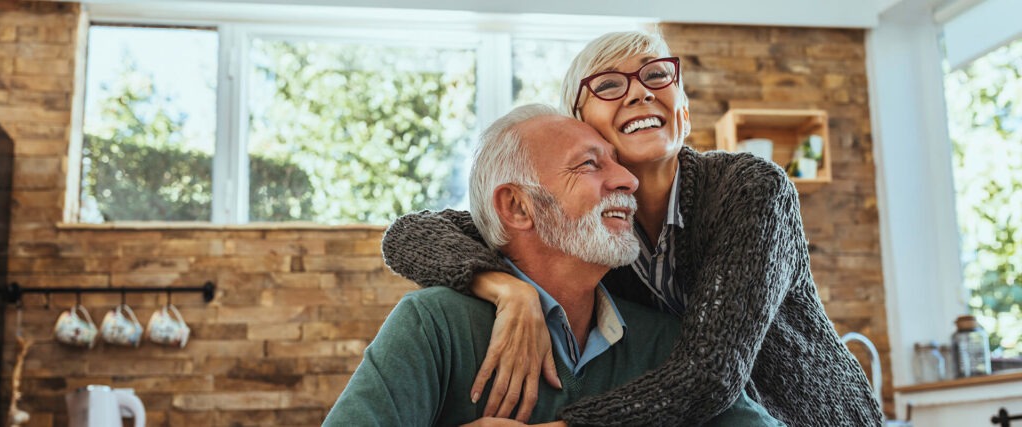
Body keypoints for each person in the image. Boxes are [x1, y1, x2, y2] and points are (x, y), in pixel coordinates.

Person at [380, 31, 883, 426]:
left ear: (682, 110)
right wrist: (509, 290)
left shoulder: (750, 190)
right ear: (579, 121)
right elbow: (409, 235)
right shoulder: (590, 233)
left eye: (657, 76)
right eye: (609, 85)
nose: (641, 92)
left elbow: (710, 374)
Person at [323, 104, 783, 426]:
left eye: (617, 163)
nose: (627, 179)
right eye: (589, 164)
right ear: (519, 208)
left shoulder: (664, 342)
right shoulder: (434, 327)